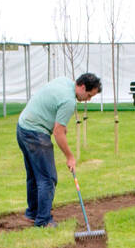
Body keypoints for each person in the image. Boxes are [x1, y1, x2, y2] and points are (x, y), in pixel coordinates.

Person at [17, 73, 102, 227]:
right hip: (35, 134)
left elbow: (52, 110)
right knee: (47, 179)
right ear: (82, 87)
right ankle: (43, 220)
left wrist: (60, 126)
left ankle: (33, 213)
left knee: (34, 176)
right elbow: (58, 132)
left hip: (22, 127)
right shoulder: (69, 101)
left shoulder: (63, 81)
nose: (88, 100)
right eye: (89, 95)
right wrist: (70, 156)